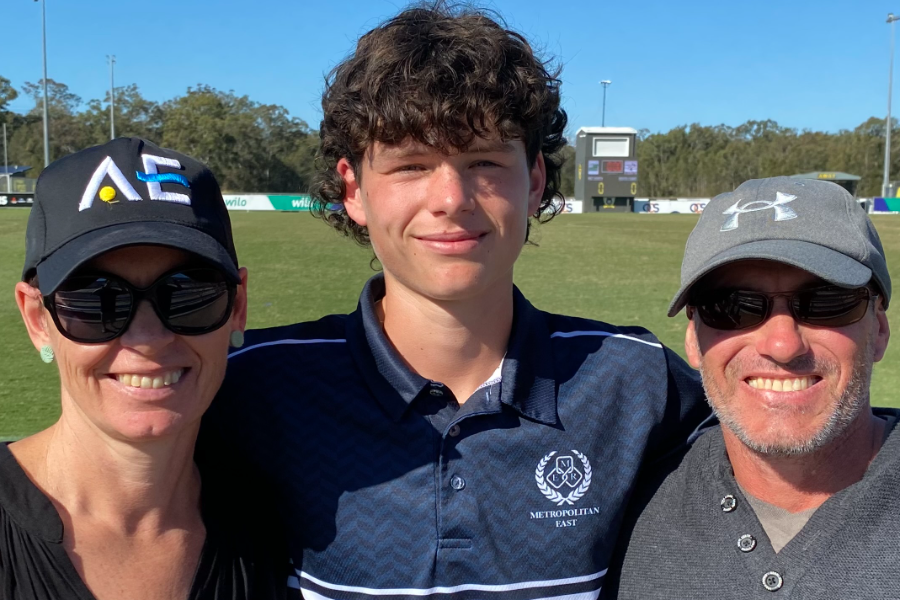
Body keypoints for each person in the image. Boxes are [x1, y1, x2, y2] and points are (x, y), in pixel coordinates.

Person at [199, 5, 709, 600]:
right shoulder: (254, 386)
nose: (451, 197)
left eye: (484, 161)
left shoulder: (636, 383)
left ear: (535, 180)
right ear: (353, 189)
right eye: (411, 165)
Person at [2, 137, 290, 600]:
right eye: (96, 301)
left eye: (189, 294)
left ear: (238, 307)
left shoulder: (287, 526)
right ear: (38, 320)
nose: (148, 338)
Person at [607, 177, 900, 598]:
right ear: (693, 340)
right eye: (731, 306)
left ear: (880, 330)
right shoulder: (618, 508)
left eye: (826, 302)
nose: (782, 345)